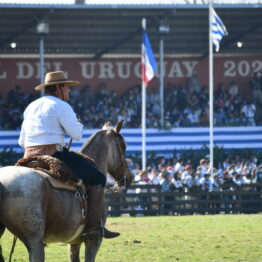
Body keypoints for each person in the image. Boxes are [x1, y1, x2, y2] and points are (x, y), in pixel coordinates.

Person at [18, 71, 119, 240]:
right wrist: (78, 123)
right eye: (67, 87)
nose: (70, 91)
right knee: (98, 177)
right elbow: (77, 134)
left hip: (27, 155)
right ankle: (95, 226)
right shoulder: (61, 105)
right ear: (59, 88)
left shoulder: (30, 107)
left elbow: (22, 141)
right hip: (54, 153)